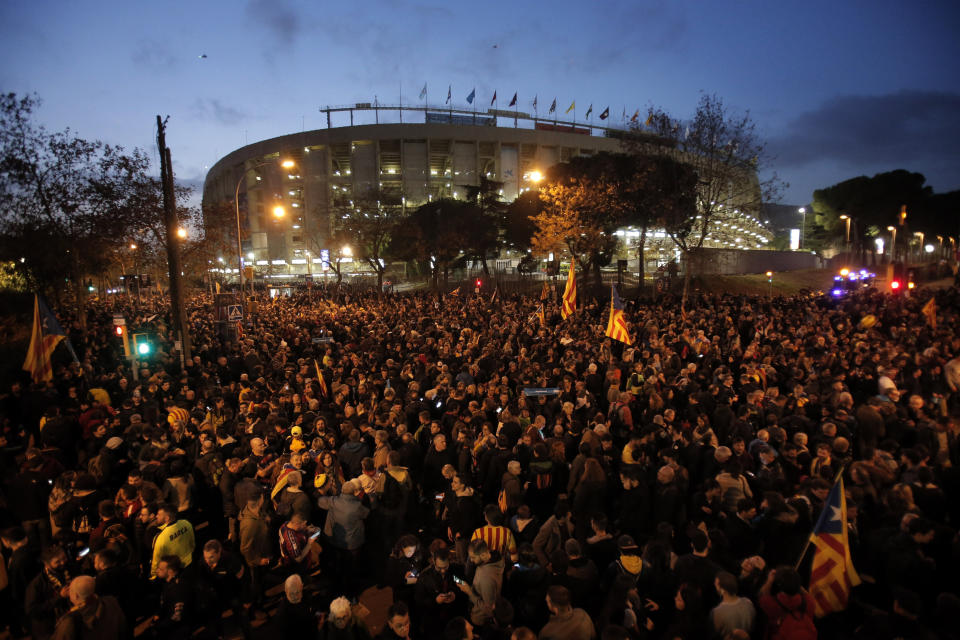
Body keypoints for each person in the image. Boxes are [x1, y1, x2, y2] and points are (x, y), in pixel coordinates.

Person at [51, 575, 126, 640]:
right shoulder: (111, 601)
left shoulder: (70, 621)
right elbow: (122, 628)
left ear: (76, 596)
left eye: (70, 590)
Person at [457, 539, 504, 627]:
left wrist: (469, 592)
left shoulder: (487, 578)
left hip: (479, 618)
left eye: (473, 557)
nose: (471, 560)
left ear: (483, 555)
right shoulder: (495, 557)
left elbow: (489, 609)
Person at [149, 503, 195, 578]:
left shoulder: (161, 538)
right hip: (190, 563)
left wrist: (153, 576)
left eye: (159, 514)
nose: (156, 516)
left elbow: (156, 560)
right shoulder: (186, 523)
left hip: (175, 571)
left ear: (167, 518)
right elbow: (192, 543)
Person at [710, 571, 755, 638]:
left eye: (716, 584)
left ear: (722, 589)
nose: (714, 585)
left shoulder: (717, 612)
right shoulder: (748, 602)